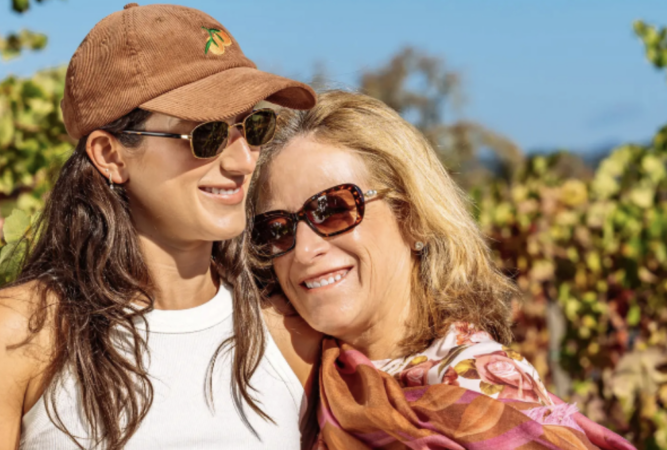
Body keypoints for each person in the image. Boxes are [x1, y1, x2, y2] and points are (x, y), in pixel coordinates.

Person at [0, 4, 317, 449]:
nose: (243, 160)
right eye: (207, 134)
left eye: (253, 126)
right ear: (111, 155)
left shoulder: (287, 334)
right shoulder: (17, 334)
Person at [246, 90, 635, 449]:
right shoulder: (298, 376)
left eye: (332, 210)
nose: (304, 249)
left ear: (412, 216)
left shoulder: (480, 386)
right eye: (277, 229)